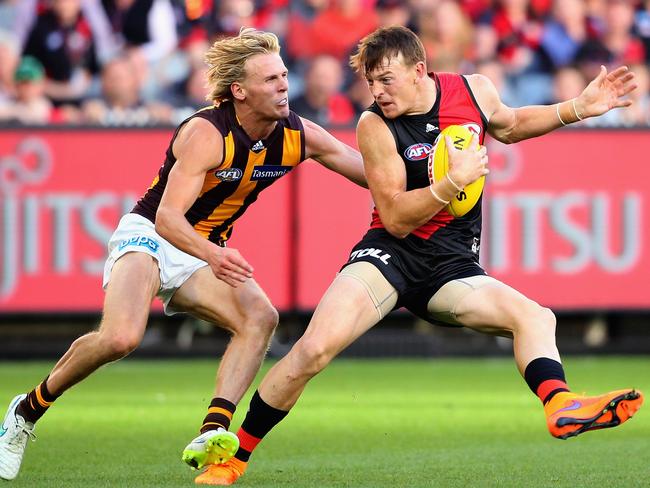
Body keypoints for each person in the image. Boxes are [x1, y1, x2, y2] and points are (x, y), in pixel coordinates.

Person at [194, 26, 645, 485]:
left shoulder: (473, 91)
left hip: (452, 266)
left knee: (536, 317)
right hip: (388, 257)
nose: (378, 92)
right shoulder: (374, 125)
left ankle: (560, 404)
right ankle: (233, 459)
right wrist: (452, 182)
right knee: (312, 350)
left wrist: (577, 109)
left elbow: (508, 125)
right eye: (371, 82)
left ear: (419, 71)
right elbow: (395, 218)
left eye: (386, 80)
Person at [0, 28, 366, 482]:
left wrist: (431, 173)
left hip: (203, 248)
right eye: (270, 78)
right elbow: (170, 219)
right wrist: (214, 255)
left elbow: (369, 172)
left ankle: (213, 430)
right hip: (153, 235)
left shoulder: (297, 134)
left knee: (260, 317)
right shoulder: (206, 132)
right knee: (121, 338)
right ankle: (25, 410)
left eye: (284, 75)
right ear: (240, 90)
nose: (284, 85)